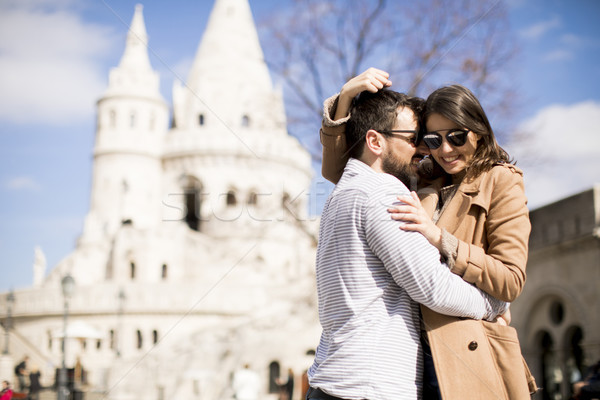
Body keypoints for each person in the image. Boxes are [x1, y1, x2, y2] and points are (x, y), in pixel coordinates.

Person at [320, 68, 536, 399]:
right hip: (409, 360)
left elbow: (510, 281)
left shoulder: (501, 181)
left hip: (462, 350)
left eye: (457, 137)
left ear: (478, 132)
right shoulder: (420, 179)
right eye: (432, 140)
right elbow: (354, 165)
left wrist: (440, 238)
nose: (445, 149)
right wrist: (345, 98)